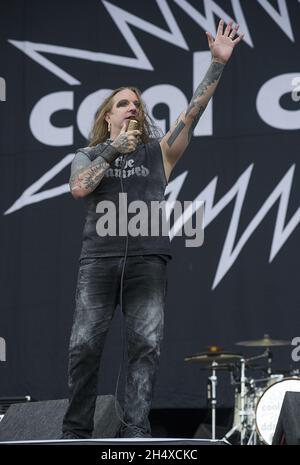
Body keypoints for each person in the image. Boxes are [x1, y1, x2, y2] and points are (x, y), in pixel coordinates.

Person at [61, 20, 243, 439]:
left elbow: (192, 112)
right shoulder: (87, 153)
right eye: (124, 103)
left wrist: (216, 64)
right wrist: (111, 150)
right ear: (108, 116)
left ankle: (136, 432)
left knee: (145, 347)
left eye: (138, 105)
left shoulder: (160, 152)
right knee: (84, 347)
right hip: (99, 261)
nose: (133, 109)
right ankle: (74, 433)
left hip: (148, 260)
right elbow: (78, 188)